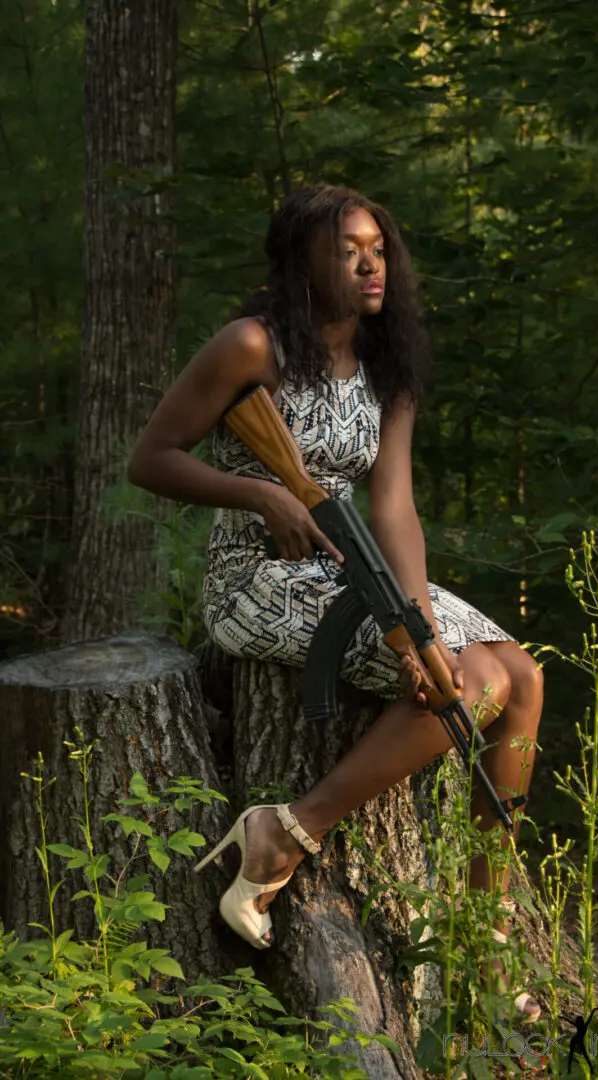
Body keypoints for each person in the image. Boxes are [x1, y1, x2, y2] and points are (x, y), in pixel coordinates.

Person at [127, 183, 544, 1022]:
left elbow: (392, 507)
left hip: (353, 567)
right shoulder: (251, 346)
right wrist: (262, 498)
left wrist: (412, 624)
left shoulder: (389, 368)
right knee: (472, 687)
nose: (369, 262)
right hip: (259, 577)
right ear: (302, 261)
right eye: (347, 247)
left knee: (520, 676)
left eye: (378, 248)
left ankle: (484, 924)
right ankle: (289, 830)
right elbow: (152, 458)